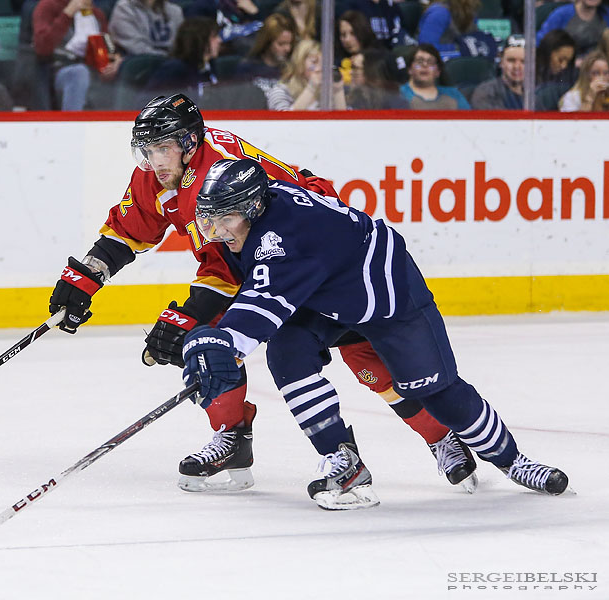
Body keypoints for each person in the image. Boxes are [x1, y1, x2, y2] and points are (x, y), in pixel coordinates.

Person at [47, 94, 478, 494]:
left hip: (309, 258)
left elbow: (230, 266)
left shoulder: (213, 178)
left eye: (162, 148)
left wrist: (188, 315)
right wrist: (83, 277)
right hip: (257, 260)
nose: (153, 161)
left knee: (367, 360)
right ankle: (234, 437)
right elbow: (131, 226)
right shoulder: (161, 173)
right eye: (147, 150)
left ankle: (442, 436)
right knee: (211, 345)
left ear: (189, 142)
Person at [181, 157, 569, 509]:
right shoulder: (262, 211)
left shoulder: (285, 238)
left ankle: (513, 461)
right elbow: (261, 292)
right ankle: (343, 462)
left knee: (439, 394)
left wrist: (218, 343)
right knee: (287, 353)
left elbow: (262, 304)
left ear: (253, 208)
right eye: (209, 220)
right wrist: (216, 344)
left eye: (225, 219)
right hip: (327, 292)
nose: (216, 231)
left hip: (387, 297)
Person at [33, 0, 121, 111]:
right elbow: (42, 47)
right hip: (58, 69)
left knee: (124, 70)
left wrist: (116, 62)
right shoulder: (48, 6)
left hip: (93, 70)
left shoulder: (97, 14)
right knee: (79, 72)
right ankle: (71, 123)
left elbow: (108, 50)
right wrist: (67, 14)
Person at [144, 17, 220, 100]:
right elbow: (149, 102)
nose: (219, 40)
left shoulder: (209, 67)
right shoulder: (174, 70)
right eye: (214, 37)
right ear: (200, 40)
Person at [267, 39, 347, 110]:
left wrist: (338, 90)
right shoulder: (280, 91)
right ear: (299, 64)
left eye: (324, 63)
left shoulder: (326, 93)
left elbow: (344, 123)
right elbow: (283, 122)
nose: (320, 68)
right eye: (314, 62)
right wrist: (311, 88)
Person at [417, 0, 498, 61]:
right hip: (444, 66)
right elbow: (426, 49)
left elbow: (474, 37)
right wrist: (459, 48)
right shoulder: (439, 14)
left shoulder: (470, 11)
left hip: (466, 62)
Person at [400, 43, 471, 109]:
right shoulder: (398, 95)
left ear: (438, 72)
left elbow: (470, 120)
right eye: (419, 61)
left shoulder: (453, 95)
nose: (425, 65)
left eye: (430, 62)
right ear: (409, 69)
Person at [108, 0, 184, 56]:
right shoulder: (124, 9)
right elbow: (138, 49)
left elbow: (183, 46)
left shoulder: (174, 10)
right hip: (142, 69)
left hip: (173, 66)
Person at [536, 0, 609, 57]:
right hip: (565, 66)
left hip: (597, 68)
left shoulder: (606, 15)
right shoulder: (562, 14)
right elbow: (540, 41)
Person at [471, 34, 524, 109]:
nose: (517, 66)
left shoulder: (537, 94)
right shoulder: (486, 93)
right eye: (511, 60)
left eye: (524, 61)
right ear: (501, 61)